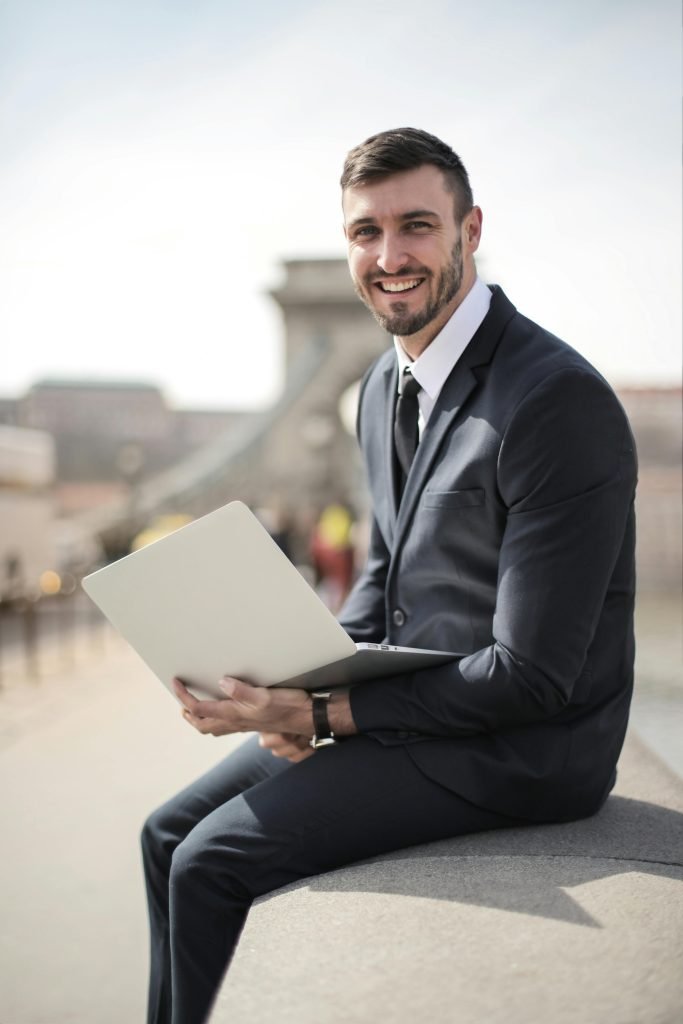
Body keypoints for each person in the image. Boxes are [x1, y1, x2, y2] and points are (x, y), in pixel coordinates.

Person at [141, 127, 637, 1024]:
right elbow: (381, 577)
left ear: (470, 230)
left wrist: (327, 715)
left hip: (523, 752)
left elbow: (532, 676)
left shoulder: (553, 401)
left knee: (209, 862)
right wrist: (278, 691)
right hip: (416, 716)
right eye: (365, 232)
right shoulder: (379, 386)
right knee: (164, 833)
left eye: (416, 226)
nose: (388, 255)